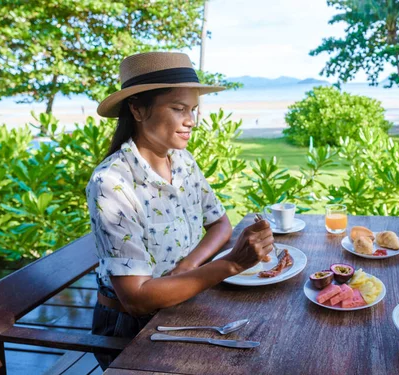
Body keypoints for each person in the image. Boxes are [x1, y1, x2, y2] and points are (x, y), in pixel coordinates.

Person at [86, 52, 274, 369]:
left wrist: (187, 265)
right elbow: (136, 298)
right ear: (137, 108)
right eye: (179, 109)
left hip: (186, 304)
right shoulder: (112, 183)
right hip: (132, 331)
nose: (192, 121)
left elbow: (220, 225)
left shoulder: (183, 161)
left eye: (193, 110)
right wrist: (231, 264)